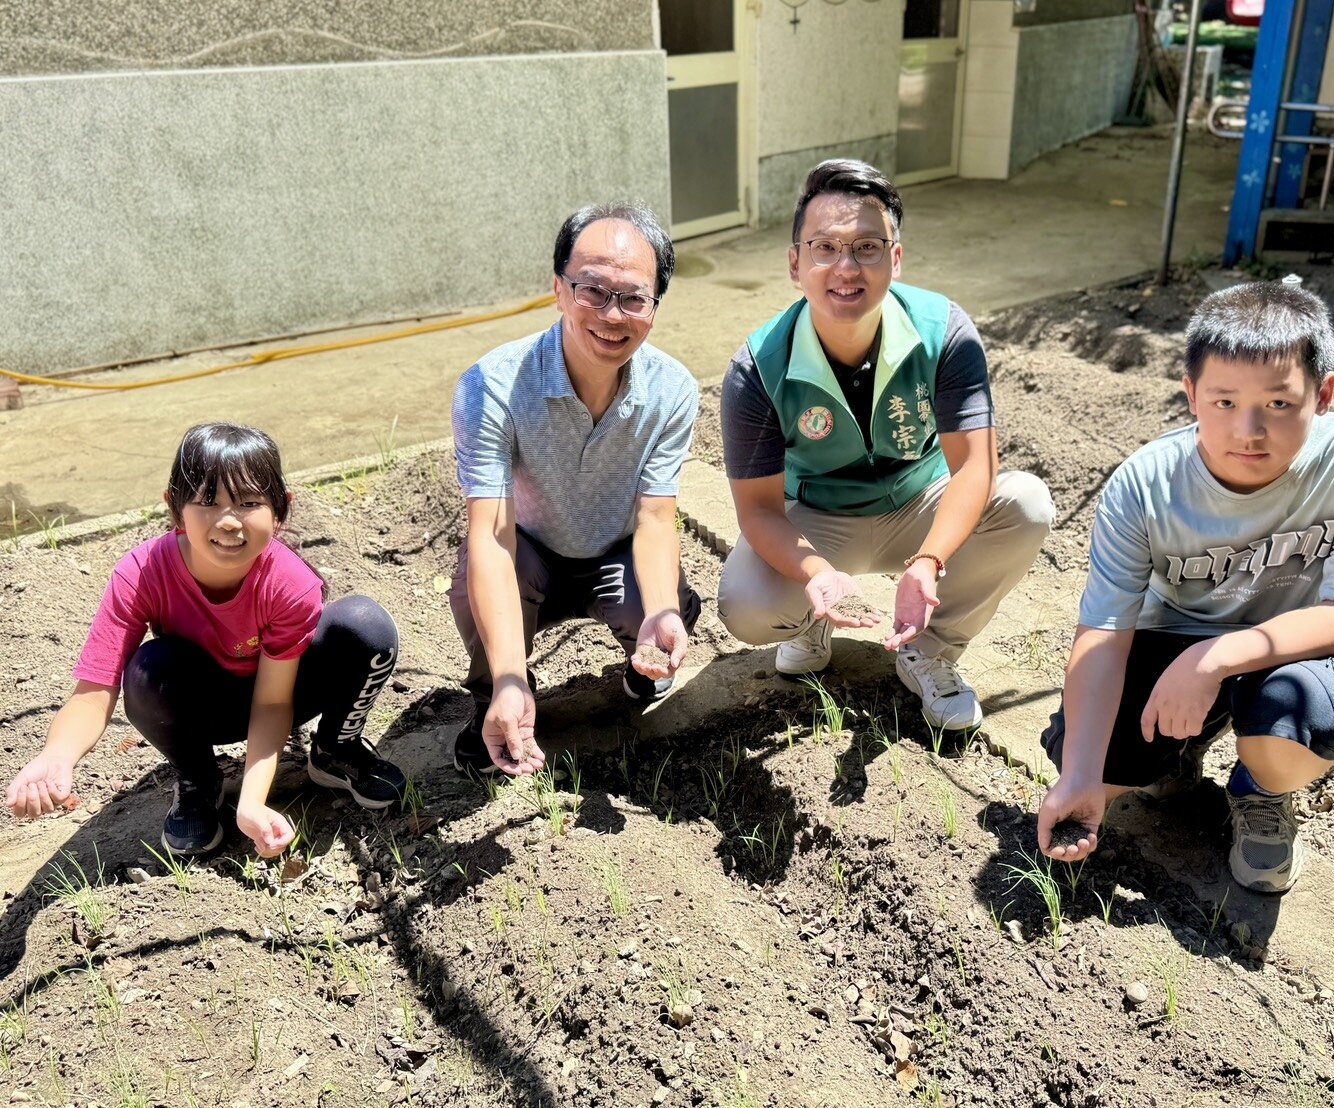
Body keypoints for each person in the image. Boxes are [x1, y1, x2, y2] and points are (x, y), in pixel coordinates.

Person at [1036, 278, 1334, 893]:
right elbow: (1104, 631)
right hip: (1173, 637)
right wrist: (1080, 772)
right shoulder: (1144, 485)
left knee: (1300, 718)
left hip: (1295, 651)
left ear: (1323, 395)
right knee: (1096, 761)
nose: (1249, 431)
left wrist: (1213, 659)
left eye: (1278, 404)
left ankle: (1260, 790)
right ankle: (1173, 757)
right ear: (1190, 396)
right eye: (1224, 403)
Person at [717, 159, 1054, 731]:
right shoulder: (757, 366)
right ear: (795, 264)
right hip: (818, 517)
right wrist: (816, 573)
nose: (846, 267)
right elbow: (758, 510)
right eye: (824, 247)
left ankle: (931, 647)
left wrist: (930, 560)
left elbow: (975, 466)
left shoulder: (942, 330)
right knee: (747, 602)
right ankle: (812, 620)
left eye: (867, 247)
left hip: (919, 507)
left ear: (895, 258)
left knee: (1026, 504)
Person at [4, 422, 407, 857]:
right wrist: (58, 755)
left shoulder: (290, 583)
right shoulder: (141, 574)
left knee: (367, 627)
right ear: (175, 510)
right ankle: (199, 777)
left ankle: (335, 748)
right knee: (147, 670)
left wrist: (253, 801)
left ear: (281, 510)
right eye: (206, 501)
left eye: (249, 502)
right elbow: (93, 691)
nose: (229, 521)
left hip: (282, 697)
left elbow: (273, 702)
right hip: (205, 707)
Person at [449, 203, 700, 778]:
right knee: (476, 582)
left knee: (667, 610)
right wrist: (509, 675)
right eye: (593, 290)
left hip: (615, 552)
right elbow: (491, 535)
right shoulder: (492, 385)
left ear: (655, 305)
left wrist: (660, 608)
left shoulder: (672, 389)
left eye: (634, 297)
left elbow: (657, 518)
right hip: (528, 549)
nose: (613, 315)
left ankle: (644, 662)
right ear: (558, 289)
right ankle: (503, 696)